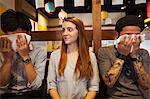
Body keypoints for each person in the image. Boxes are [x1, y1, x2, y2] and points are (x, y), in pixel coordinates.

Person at [98, 15, 150, 99]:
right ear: (117, 35)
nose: (133, 40)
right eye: (128, 35)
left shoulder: (143, 53)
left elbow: (146, 85)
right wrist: (122, 55)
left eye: (137, 35)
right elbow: (109, 82)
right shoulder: (105, 51)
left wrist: (135, 56)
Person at [47, 17, 100, 99]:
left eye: (69, 29)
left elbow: (93, 87)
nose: (65, 33)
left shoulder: (90, 56)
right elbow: (51, 85)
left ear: (79, 32)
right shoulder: (55, 55)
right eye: (63, 30)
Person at [0, 9, 47, 98]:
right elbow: (1, 86)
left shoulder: (39, 51)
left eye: (19, 36)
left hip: (31, 95)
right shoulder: (2, 51)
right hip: (6, 95)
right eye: (11, 37)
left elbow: (36, 85)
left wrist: (25, 56)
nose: (16, 41)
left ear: (28, 33)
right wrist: (7, 60)